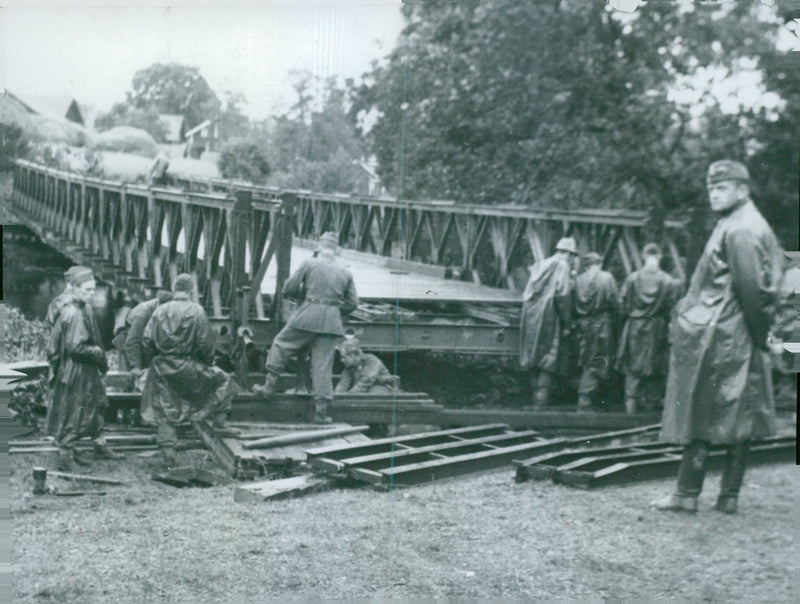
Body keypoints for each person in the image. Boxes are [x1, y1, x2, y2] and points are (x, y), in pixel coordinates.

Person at [653, 160, 784, 515]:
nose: (714, 192)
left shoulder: (741, 228)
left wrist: (759, 339)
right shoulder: (739, 222)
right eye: (711, 187)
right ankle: (727, 496)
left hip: (727, 335)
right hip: (732, 333)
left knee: (702, 408)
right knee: (738, 413)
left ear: (742, 189)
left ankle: (687, 493)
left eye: (721, 187)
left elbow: (753, 291)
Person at [252, 231, 359, 424]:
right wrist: (334, 311)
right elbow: (353, 303)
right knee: (322, 365)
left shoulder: (310, 264)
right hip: (331, 322)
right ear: (337, 251)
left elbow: (289, 288)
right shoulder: (345, 271)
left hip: (306, 316)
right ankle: (320, 413)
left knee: (281, 344)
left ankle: (268, 387)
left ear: (318, 247)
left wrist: (301, 297)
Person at [142, 274, 237, 468]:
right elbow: (206, 344)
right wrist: (207, 363)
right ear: (191, 290)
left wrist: (156, 358)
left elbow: (147, 340)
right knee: (224, 380)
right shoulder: (197, 311)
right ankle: (217, 422)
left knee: (165, 409)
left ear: (175, 289)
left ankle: (169, 454)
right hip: (188, 366)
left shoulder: (160, 310)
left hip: (162, 367)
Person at [45, 265, 123, 471]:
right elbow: (76, 347)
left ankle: (99, 445)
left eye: (93, 288)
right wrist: (98, 353)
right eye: (87, 289)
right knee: (75, 412)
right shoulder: (73, 312)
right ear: (73, 287)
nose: (92, 293)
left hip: (78, 368)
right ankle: (65, 457)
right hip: (78, 370)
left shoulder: (76, 306)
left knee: (94, 404)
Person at [615, 244, 683, 414]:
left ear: (644, 256)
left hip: (634, 326)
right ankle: (650, 411)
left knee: (632, 367)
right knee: (656, 366)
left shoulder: (632, 278)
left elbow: (621, 303)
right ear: (659, 257)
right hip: (656, 326)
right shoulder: (668, 281)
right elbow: (672, 306)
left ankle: (630, 407)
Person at [519, 237, 579, 408]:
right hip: (549, 314)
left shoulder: (542, 263)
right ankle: (541, 404)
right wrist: (567, 324)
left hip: (531, 313)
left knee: (533, 354)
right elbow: (563, 296)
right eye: (572, 255)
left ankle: (534, 399)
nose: (572, 259)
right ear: (568, 253)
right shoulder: (563, 265)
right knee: (549, 356)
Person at [572, 252, 619, 411]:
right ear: (599, 264)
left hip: (583, 324)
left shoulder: (578, 280)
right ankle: (585, 400)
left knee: (587, 359)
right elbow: (615, 301)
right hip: (602, 324)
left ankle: (589, 399)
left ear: (586, 265)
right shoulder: (607, 278)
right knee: (599, 360)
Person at [124, 289, 173, 422]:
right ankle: (129, 415)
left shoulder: (167, 310)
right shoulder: (144, 314)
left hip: (148, 342)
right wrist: (135, 366)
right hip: (129, 339)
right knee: (134, 378)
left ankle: (149, 414)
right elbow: (132, 341)